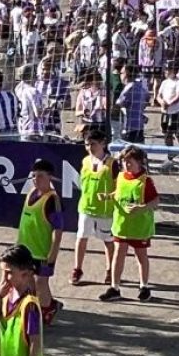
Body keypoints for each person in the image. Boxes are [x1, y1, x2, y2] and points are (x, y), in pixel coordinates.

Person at [100, 146, 159, 302]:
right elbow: (118, 194)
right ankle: (115, 287)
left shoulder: (145, 181)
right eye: (124, 161)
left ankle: (144, 286)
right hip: (121, 225)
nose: (126, 164)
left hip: (139, 228)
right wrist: (107, 196)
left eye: (129, 161)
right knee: (118, 255)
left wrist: (142, 208)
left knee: (141, 256)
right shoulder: (120, 177)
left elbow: (155, 201)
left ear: (139, 162)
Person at [17, 157, 65, 322]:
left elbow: (57, 231)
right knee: (28, 280)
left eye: (40, 176)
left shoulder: (52, 200)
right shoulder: (31, 192)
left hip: (42, 251)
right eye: (34, 176)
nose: (36, 180)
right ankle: (46, 304)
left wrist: (52, 254)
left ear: (49, 177)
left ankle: (48, 309)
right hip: (25, 249)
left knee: (41, 283)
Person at [70, 126, 115, 287]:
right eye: (87, 144)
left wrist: (110, 197)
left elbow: (119, 187)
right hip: (86, 207)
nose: (89, 148)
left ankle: (111, 269)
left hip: (105, 211)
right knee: (81, 238)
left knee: (108, 241)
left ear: (103, 143)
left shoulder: (112, 164)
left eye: (93, 144)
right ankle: (77, 269)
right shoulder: (85, 161)